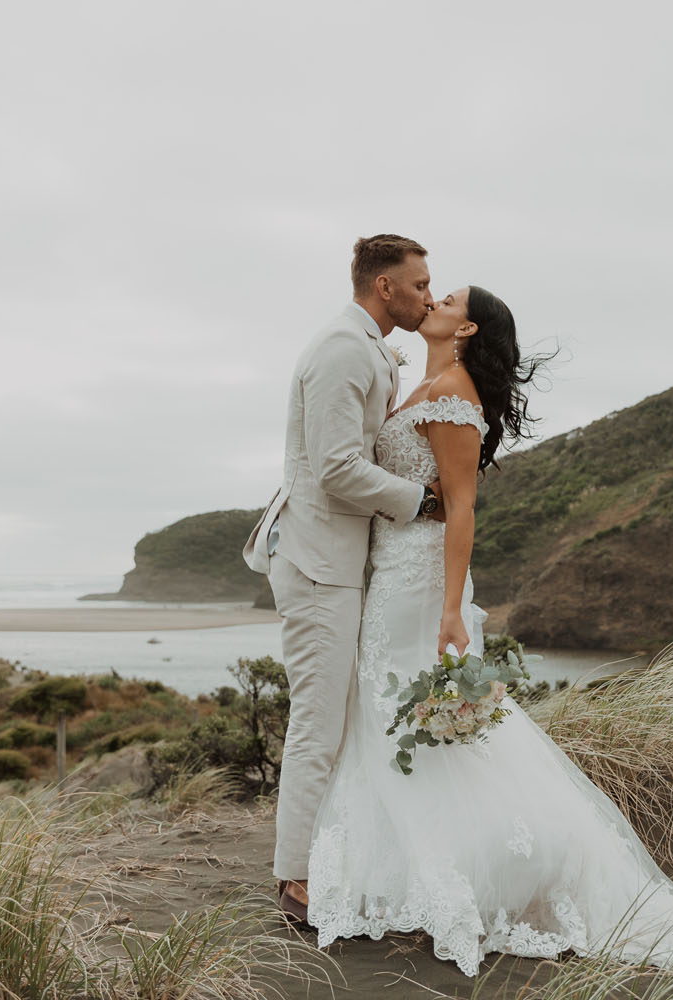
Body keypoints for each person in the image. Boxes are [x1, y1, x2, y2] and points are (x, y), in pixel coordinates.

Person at [304, 285, 673, 975]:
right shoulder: (419, 383)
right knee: (398, 716)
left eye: (445, 296)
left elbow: (462, 510)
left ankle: (486, 879)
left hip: (421, 584)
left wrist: (452, 608)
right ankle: (407, 875)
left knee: (439, 722)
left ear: (466, 326)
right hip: (387, 574)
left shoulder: (452, 396)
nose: (434, 299)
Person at [242, 234, 446, 925]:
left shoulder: (369, 348)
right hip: (318, 563)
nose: (427, 294)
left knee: (344, 717)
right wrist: (420, 500)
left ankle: (332, 860)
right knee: (319, 723)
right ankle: (295, 882)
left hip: (343, 562)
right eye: (419, 284)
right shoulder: (340, 349)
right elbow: (334, 467)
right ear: (383, 287)